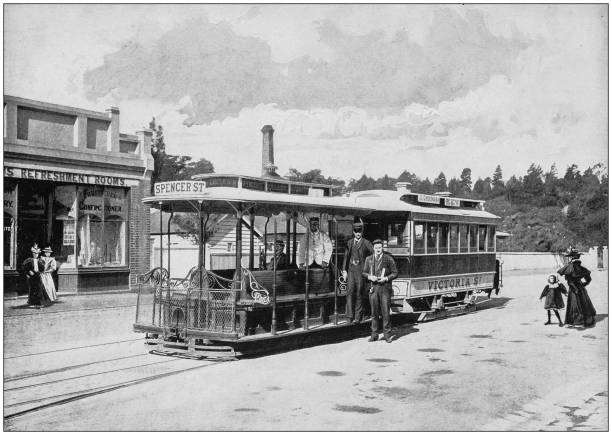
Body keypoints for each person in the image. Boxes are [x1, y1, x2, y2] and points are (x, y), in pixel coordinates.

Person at [363, 239, 398, 343]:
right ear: (373, 249)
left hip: (384, 289)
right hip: (373, 288)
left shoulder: (388, 259)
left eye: (379, 247)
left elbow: (395, 273)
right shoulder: (369, 259)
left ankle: (387, 335)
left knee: (385, 312)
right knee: (374, 313)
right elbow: (363, 273)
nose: (378, 249)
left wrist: (386, 278)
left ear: (382, 248)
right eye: (376, 248)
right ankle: (374, 335)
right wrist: (369, 277)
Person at [342, 222, 373, 323]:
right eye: (356, 231)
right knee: (349, 292)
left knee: (360, 293)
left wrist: (369, 267)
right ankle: (349, 316)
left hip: (361, 272)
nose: (358, 233)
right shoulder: (350, 243)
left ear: (362, 232)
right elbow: (346, 257)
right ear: (353, 232)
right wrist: (344, 270)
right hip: (351, 271)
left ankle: (357, 317)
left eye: (359, 231)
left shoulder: (366, 243)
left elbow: (374, 255)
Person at [558, 247, 596, 327]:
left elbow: (569, 280)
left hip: (573, 288)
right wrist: (582, 285)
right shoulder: (582, 268)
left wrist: (575, 288)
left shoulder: (569, 267)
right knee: (584, 302)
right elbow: (588, 279)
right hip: (580, 287)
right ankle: (586, 320)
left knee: (575, 304)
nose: (570, 258)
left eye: (570, 257)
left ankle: (577, 321)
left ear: (571, 257)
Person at [22, 244, 46, 308]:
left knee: (39, 289)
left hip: (37, 275)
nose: (36, 254)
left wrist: (41, 271)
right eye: (34, 253)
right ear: (32, 253)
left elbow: (42, 268)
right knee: (32, 289)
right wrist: (29, 271)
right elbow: (24, 268)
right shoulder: (29, 260)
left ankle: (38, 303)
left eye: (37, 253)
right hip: (31, 276)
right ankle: (32, 302)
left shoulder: (40, 260)